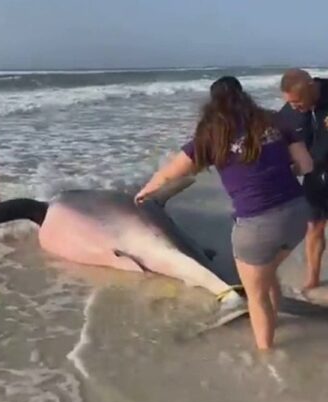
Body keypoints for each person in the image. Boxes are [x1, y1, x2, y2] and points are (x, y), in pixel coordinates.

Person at [135, 76, 313, 350]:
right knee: (267, 275)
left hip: (256, 225)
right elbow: (306, 165)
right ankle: (273, 320)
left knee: (255, 295)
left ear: (212, 103)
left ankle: (267, 355)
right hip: (298, 213)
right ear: (243, 95)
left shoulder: (210, 135)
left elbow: (170, 173)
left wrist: (145, 191)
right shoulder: (276, 121)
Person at [278, 69, 328, 292]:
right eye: (290, 103)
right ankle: (313, 278)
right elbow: (275, 139)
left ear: (310, 87)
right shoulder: (289, 112)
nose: (295, 107)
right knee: (314, 227)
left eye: (297, 101)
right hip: (315, 176)